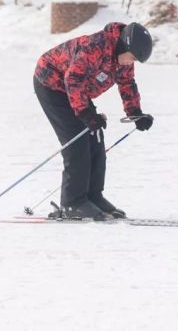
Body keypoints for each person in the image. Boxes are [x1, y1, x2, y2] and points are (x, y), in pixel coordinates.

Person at [33, 22, 154, 220]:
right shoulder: (95, 46)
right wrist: (86, 114)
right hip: (51, 84)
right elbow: (73, 78)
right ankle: (72, 202)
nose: (129, 63)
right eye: (131, 58)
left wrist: (136, 113)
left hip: (75, 89)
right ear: (125, 46)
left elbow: (127, 83)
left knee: (95, 136)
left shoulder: (122, 57)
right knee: (77, 139)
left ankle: (92, 196)